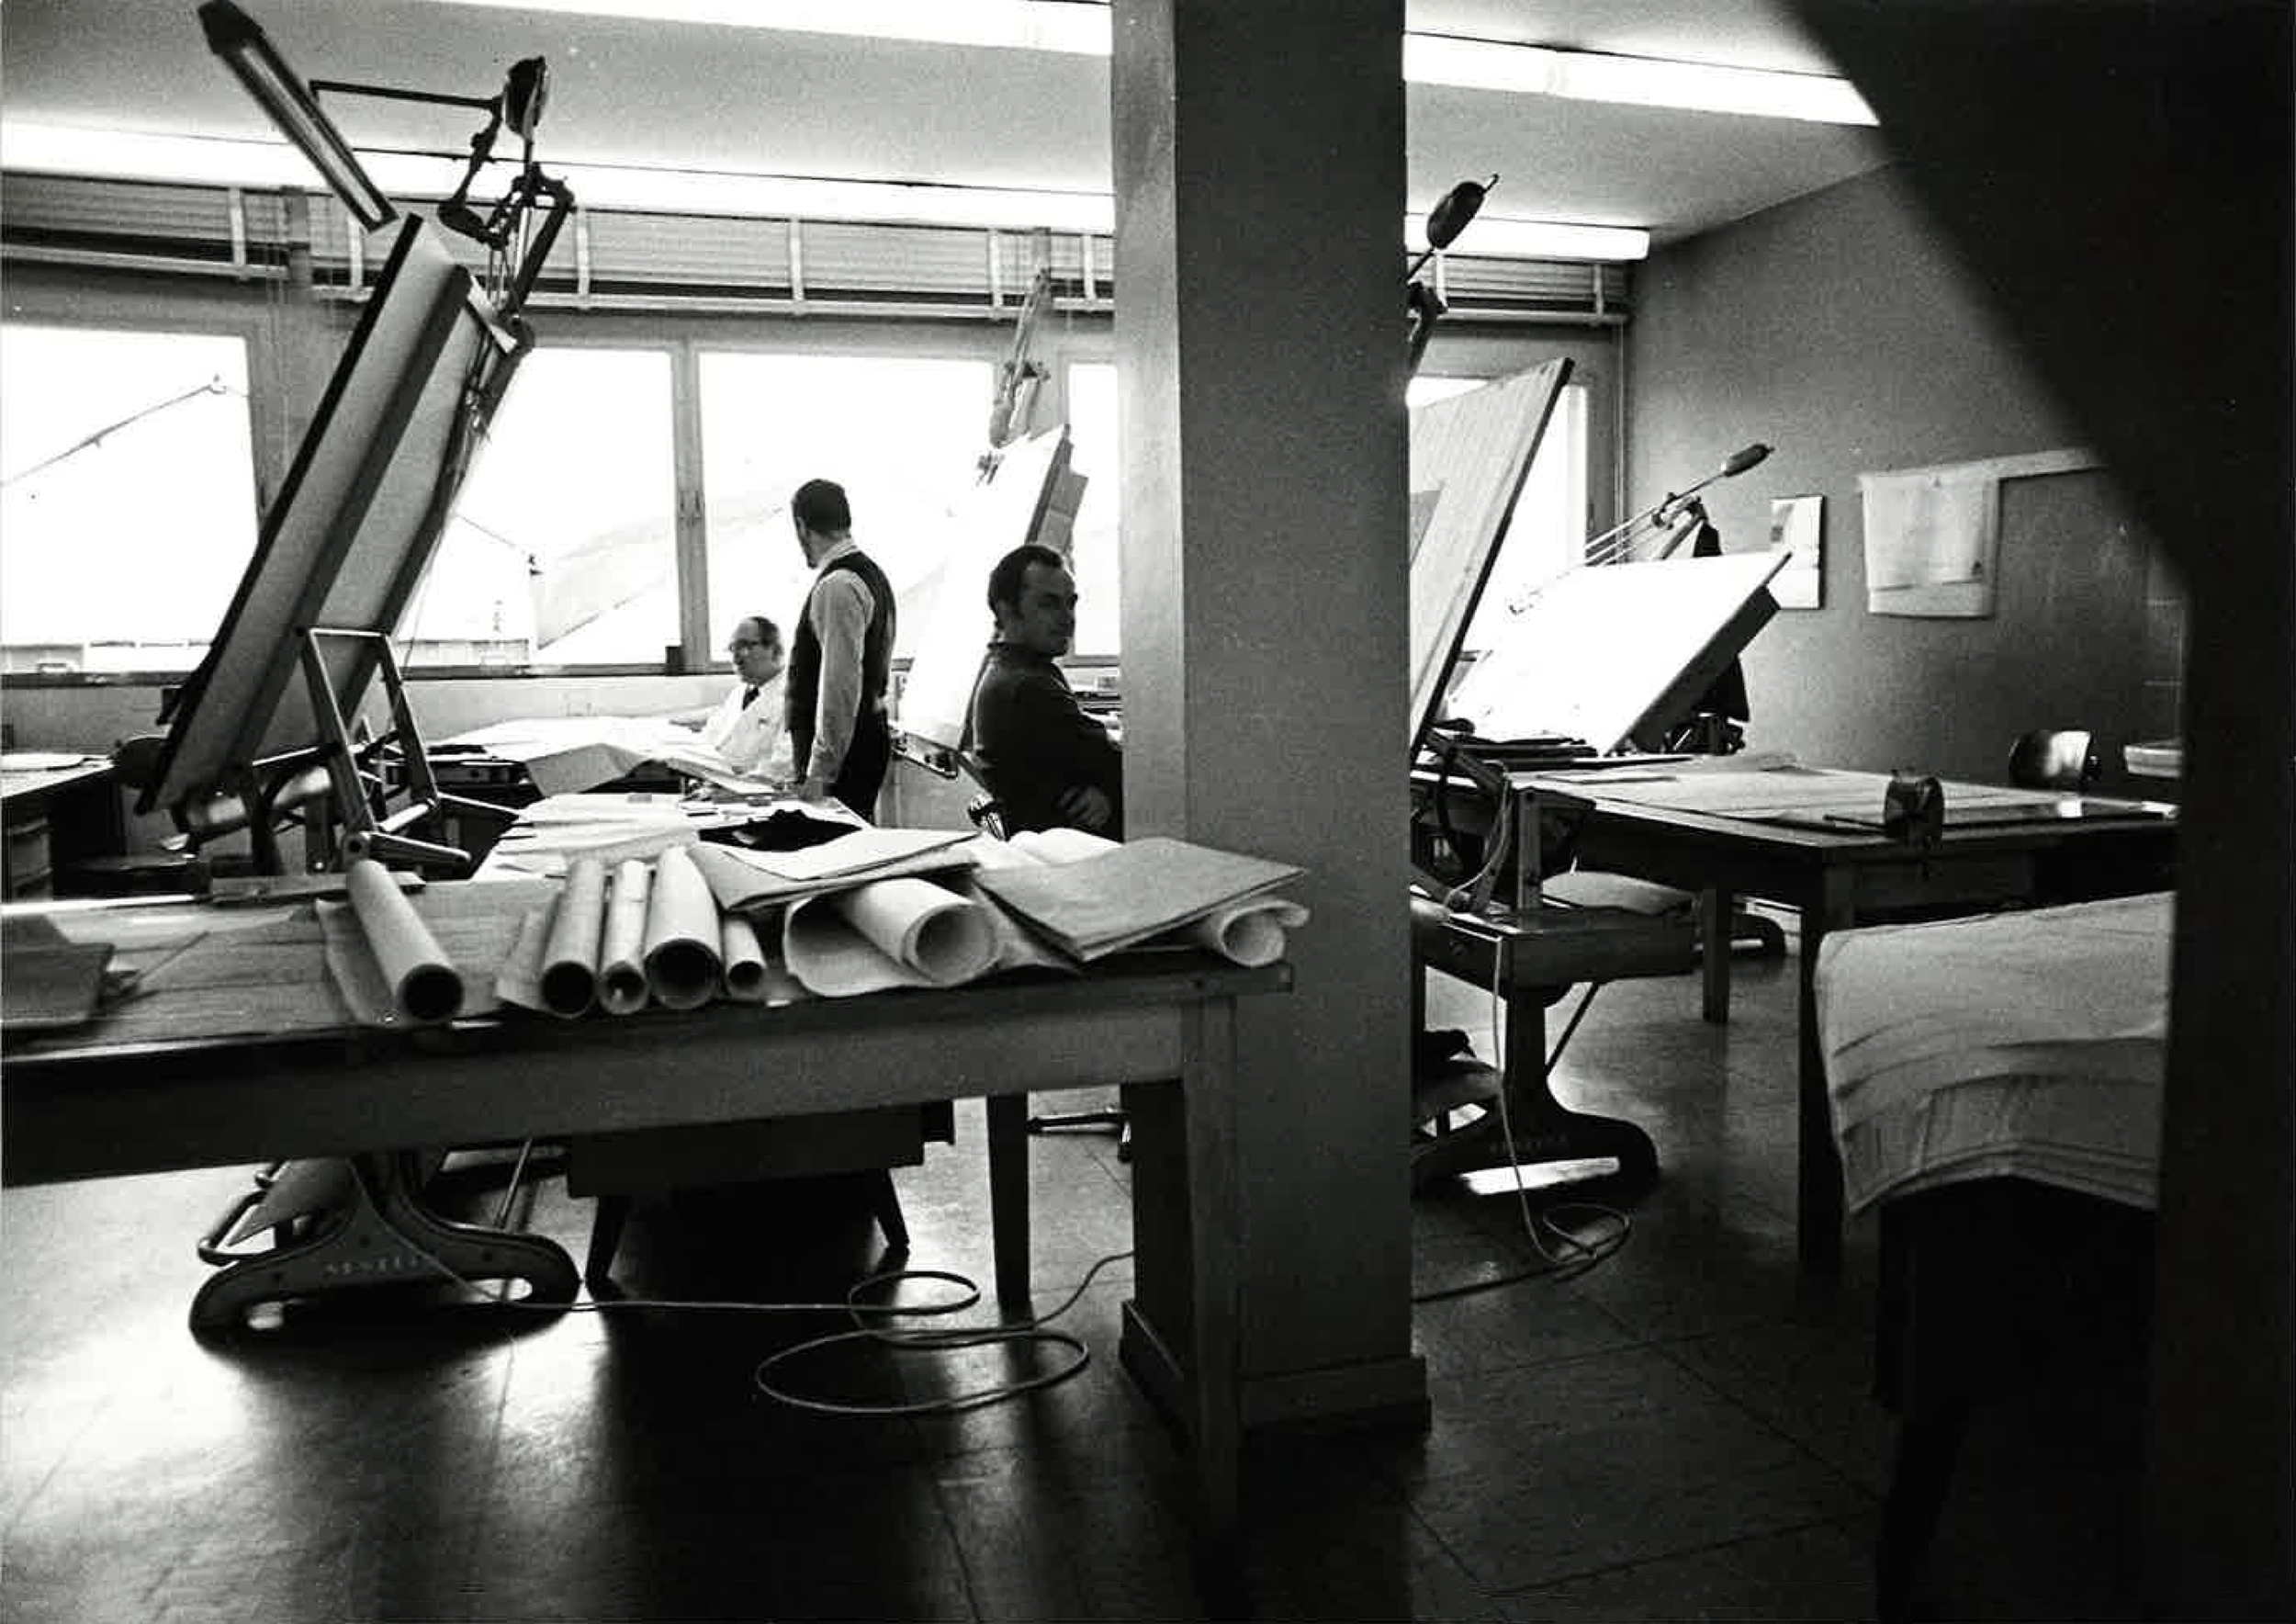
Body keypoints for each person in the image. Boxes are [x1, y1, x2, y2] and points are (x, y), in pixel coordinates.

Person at [966, 542, 1123, 838]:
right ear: (1008, 610)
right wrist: (1110, 787)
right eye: (1049, 604)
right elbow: (1130, 763)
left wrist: (1103, 787)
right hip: (1068, 856)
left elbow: (1093, 752)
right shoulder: (1028, 685)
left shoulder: (1008, 668)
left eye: (1071, 602)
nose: (1067, 617)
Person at [785, 478, 896, 818]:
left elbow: (840, 688)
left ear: (802, 526)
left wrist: (821, 772)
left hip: (845, 761)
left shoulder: (837, 586)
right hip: (862, 745)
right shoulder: (872, 576)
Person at [688, 615, 794, 782]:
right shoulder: (738, 693)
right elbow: (709, 738)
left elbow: (785, 762)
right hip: (718, 784)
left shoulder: (793, 697)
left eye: (744, 647)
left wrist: (740, 783)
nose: (736, 658)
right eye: (733, 648)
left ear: (775, 650)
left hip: (758, 793)